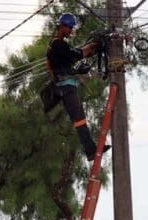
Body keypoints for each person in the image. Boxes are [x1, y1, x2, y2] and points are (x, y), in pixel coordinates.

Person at [45, 13, 110, 161]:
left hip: (66, 87)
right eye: (69, 27)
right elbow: (77, 53)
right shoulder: (58, 44)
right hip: (66, 88)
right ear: (62, 26)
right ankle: (90, 150)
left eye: (71, 28)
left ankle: (90, 149)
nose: (70, 31)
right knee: (79, 119)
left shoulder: (58, 45)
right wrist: (93, 45)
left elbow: (75, 56)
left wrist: (90, 50)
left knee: (79, 118)